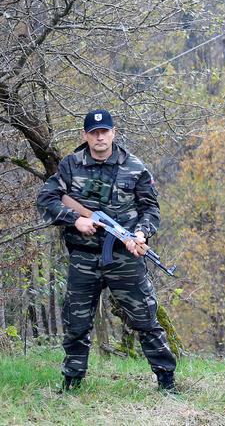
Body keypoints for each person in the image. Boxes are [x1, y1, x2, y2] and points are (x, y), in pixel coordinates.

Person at [36, 109, 178, 393]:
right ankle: (72, 382)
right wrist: (75, 219)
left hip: (125, 258)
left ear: (113, 132)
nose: (100, 137)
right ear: (85, 135)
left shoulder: (135, 167)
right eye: (94, 133)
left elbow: (150, 208)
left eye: (105, 132)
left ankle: (166, 381)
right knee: (76, 322)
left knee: (145, 318)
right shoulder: (70, 165)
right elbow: (46, 198)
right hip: (83, 258)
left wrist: (139, 234)